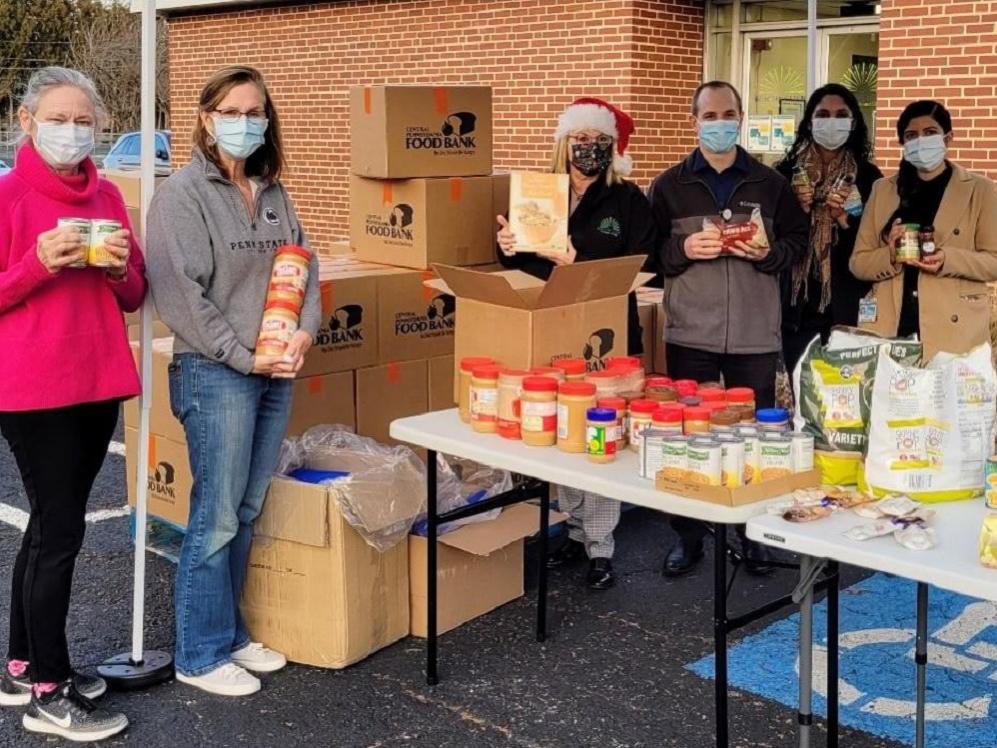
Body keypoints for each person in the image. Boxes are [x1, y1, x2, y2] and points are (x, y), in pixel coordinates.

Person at [147, 66, 320, 696]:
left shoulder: (273, 191)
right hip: (217, 373)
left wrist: (305, 331)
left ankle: (230, 635)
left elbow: (305, 265)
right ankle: (198, 653)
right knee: (215, 516)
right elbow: (181, 298)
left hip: (276, 368)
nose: (245, 122)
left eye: (256, 111)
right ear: (206, 116)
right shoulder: (181, 197)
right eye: (231, 110)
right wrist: (244, 357)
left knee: (246, 509)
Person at [0, 67, 144, 741]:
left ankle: (26, 662)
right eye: (59, 118)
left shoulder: (109, 195)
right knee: (60, 534)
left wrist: (116, 268)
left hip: (98, 381)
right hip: (33, 389)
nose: (73, 132)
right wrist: (37, 260)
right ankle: (50, 694)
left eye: (84, 120)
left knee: (51, 525)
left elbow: (136, 290)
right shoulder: (8, 197)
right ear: (27, 121)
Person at [648, 81, 808, 577]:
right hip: (690, 330)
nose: (720, 123)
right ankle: (688, 535)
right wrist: (680, 251)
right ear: (693, 120)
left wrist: (769, 255)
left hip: (754, 333)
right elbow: (649, 254)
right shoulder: (668, 185)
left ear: (741, 117)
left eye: (729, 113)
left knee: (756, 436)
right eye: (710, 115)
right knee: (690, 436)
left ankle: (753, 533)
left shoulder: (769, 184)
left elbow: (798, 243)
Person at [496, 97, 656, 590]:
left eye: (600, 142)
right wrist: (505, 249)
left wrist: (577, 260)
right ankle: (574, 527)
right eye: (581, 140)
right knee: (566, 433)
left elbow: (647, 268)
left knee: (601, 438)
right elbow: (522, 268)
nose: (589, 150)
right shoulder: (538, 195)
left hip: (608, 342)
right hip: (553, 333)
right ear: (564, 143)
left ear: (614, 148)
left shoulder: (630, 201)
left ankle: (601, 547)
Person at [851, 100, 997, 360]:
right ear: (903, 144)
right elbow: (859, 263)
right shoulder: (883, 189)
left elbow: (993, 262)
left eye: (930, 133)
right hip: (891, 325)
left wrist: (946, 259)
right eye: (911, 135)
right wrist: (891, 255)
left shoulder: (980, 189)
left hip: (954, 328)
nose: (921, 141)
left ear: (948, 137)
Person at [776, 83, 883, 376]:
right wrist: (800, 212)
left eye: (841, 115)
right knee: (799, 390)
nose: (831, 121)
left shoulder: (869, 177)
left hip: (846, 304)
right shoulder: (784, 174)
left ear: (853, 123)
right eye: (823, 114)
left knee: (843, 395)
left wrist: (844, 220)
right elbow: (772, 239)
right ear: (810, 122)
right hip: (795, 305)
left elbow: (875, 243)